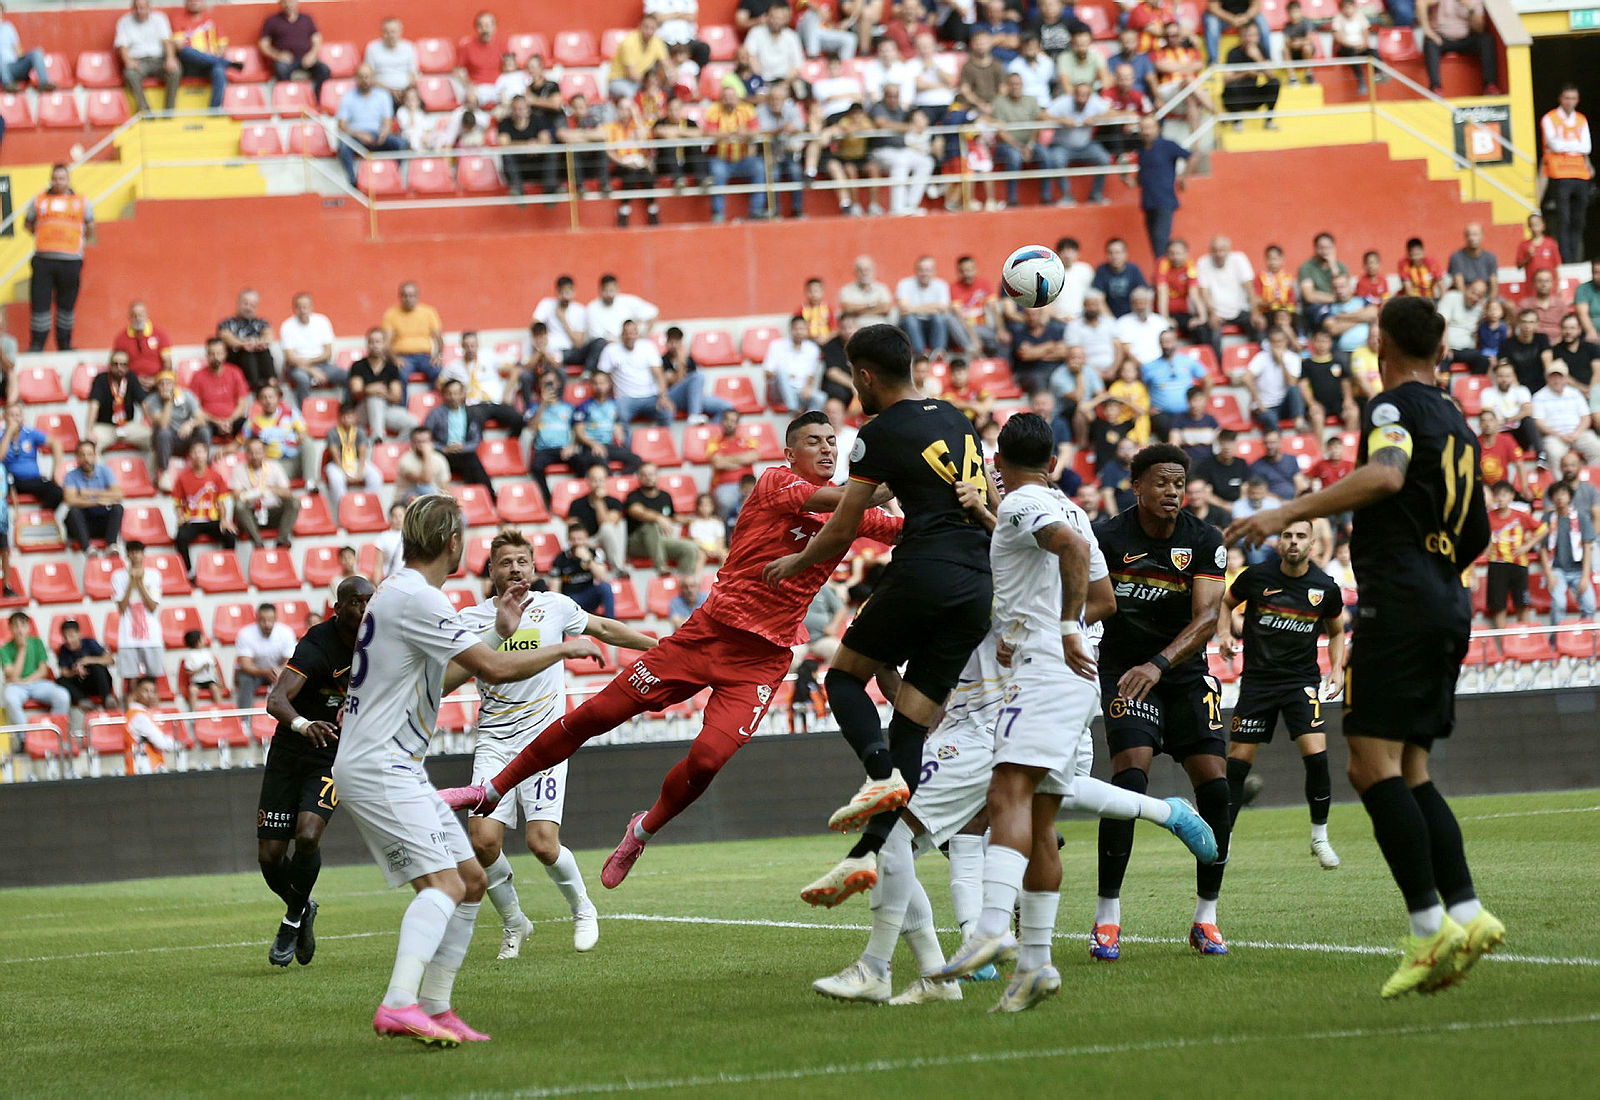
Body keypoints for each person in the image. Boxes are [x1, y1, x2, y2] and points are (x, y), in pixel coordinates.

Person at [439, 413, 903, 891]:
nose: (827, 449)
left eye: (832, 441)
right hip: (706, 635)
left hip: (763, 660)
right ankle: (492, 789)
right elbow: (844, 498)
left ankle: (640, 830)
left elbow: (899, 530)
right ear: (790, 453)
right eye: (814, 442)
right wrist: (896, 474)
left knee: (706, 760)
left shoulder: (853, 512)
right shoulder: (775, 481)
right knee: (595, 714)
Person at [1226, 294, 1502, 999]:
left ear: (1380, 345)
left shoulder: (1393, 407)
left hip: (1401, 600)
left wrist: (1286, 509)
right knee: (1410, 766)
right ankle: (1466, 914)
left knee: (1365, 764)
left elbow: (1384, 474)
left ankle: (1427, 928)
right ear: (1441, 348)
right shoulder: (1460, 422)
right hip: (1447, 598)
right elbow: (1479, 535)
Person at [928, 414, 1217, 1008]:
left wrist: (1057, 628)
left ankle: (988, 931)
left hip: (1043, 672)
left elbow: (1067, 549)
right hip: (1071, 676)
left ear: (996, 464)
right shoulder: (1071, 507)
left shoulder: (1022, 504)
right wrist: (1052, 620)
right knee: (1038, 823)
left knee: (1003, 794)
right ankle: (1036, 964)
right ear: (1055, 462)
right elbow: (1105, 598)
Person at [332, 494, 603, 1046]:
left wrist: (502, 632)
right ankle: (400, 1004)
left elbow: (447, 671)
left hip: (392, 761)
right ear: (454, 543)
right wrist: (562, 650)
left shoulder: (398, 592)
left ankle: (435, 1006)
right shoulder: (420, 598)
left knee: (472, 878)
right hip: (382, 764)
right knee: (443, 885)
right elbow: (495, 670)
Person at [759, 326, 995, 906]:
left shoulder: (876, 432)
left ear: (864, 376)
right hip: (978, 584)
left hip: (925, 571)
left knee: (842, 676)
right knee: (911, 724)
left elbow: (841, 526)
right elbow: (972, 491)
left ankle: (879, 772)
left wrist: (797, 561)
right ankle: (865, 853)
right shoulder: (957, 416)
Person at [449, 531, 656, 958]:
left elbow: (603, 628)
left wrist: (661, 647)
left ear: (534, 567)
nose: (515, 569)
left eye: (522, 561)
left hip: (544, 742)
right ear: (491, 570)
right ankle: (515, 922)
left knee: (541, 843)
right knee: (483, 842)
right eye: (505, 562)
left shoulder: (554, 607)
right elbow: (447, 676)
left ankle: (583, 908)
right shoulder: (473, 619)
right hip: (495, 742)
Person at [1089, 442, 1232, 959]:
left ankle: (1206, 916)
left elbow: (1207, 619)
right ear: (1138, 487)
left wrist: (1161, 664)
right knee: (1129, 781)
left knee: (1217, 790)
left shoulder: (1205, 539)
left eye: (1178, 483)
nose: (1172, 492)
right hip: (1125, 674)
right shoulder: (1106, 537)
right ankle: (1108, 916)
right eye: (1161, 483)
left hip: (1184, 674)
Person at [258, 576, 373, 967]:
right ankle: (304, 906)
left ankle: (291, 921)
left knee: (307, 834)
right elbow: (276, 700)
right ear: (338, 608)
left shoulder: (381, 641)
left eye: (369, 601)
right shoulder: (317, 644)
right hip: (291, 750)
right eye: (356, 602)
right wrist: (305, 725)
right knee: (271, 858)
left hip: (332, 754)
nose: (364, 608)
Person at [1217, 518, 1346, 869]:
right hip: (1258, 682)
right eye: (1287, 535)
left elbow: (1337, 631)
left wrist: (1336, 669)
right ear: (1278, 543)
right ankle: (1221, 841)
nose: (1293, 541)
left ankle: (1319, 837)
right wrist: (1224, 634)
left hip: (1300, 681)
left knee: (1317, 757)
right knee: (1238, 763)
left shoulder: (1325, 587)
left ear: (1312, 544)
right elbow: (1225, 603)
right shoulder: (1256, 577)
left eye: (1300, 536)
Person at [24, 164, 94, 352]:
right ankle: (37, 344)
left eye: (62, 178)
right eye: (55, 178)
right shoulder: (39, 200)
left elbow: (91, 226)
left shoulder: (81, 202)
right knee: (39, 304)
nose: (58, 181)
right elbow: (28, 223)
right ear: (51, 179)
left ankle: (64, 344)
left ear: (68, 179)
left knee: (66, 305)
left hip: (71, 261)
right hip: (43, 260)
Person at [1541, 85, 1592, 265]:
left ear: (1577, 100)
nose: (1570, 102)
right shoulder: (1550, 118)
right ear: (1560, 99)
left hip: (1580, 174)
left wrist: (1566, 145)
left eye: (1573, 98)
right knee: (1564, 219)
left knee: (1579, 220)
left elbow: (1587, 147)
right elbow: (1554, 145)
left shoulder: (1581, 119)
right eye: (1567, 98)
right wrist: (1574, 146)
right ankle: (1567, 260)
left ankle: (1576, 257)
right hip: (1559, 174)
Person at [1483, 480, 1543, 630]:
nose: (1501, 498)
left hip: (1519, 564)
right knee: (1498, 607)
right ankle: (1504, 647)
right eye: (1497, 495)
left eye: (1504, 495)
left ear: (1511, 496)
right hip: (1497, 565)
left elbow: (1543, 529)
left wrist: (1528, 546)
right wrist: (1485, 548)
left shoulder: (1521, 516)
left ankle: (1524, 642)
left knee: (1522, 605)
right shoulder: (1488, 516)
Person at [424, 380, 496, 504]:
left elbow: (475, 440)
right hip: (442, 454)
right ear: (444, 395)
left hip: (463, 452)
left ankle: (489, 498)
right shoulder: (435, 414)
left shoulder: (471, 413)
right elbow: (424, 438)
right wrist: (442, 448)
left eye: (456, 393)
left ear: (463, 394)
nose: (453, 397)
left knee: (472, 460)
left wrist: (463, 447)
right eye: (449, 393)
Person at [171, 439, 234, 579]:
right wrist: (180, 516)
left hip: (212, 519)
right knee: (180, 538)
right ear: (190, 456)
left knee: (230, 535)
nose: (197, 455)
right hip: (191, 520)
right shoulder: (182, 478)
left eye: (200, 452)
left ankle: (227, 568)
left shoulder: (216, 476)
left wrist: (224, 520)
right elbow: (177, 503)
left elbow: (222, 502)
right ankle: (188, 572)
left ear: (206, 454)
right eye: (194, 452)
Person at [626, 462, 703, 576]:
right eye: (645, 475)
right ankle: (661, 567)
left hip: (661, 542)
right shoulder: (633, 496)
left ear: (657, 475)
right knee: (650, 525)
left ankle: (683, 582)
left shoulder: (665, 496)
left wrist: (690, 520)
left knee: (691, 548)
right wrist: (658, 518)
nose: (648, 478)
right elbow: (637, 511)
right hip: (637, 545)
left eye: (651, 474)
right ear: (639, 477)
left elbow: (672, 517)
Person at [1, 611, 70, 730]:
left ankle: (52, 732)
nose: (19, 630)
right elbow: (12, 675)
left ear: (28, 627)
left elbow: (43, 671)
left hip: (37, 683)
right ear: (10, 628)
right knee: (10, 699)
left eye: (22, 625)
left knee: (63, 696)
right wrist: (22, 649)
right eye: (15, 626)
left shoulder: (37, 642)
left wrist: (26, 680)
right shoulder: (5, 649)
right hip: (15, 686)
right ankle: (26, 738)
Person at [1541, 480, 1595, 627]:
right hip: (1557, 570)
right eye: (1556, 494)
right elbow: (1543, 549)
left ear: (1570, 497)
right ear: (1552, 498)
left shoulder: (1582, 517)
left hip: (1579, 571)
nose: (1559, 497)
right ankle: (1556, 642)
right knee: (1559, 604)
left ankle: (1587, 640)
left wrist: (1585, 576)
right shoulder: (1547, 519)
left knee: (1590, 605)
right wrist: (1549, 574)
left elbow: (1587, 547)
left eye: (1563, 493)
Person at [347, 328, 415, 440]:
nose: (375, 345)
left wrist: (380, 392)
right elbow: (356, 393)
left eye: (378, 342)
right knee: (374, 399)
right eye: (371, 342)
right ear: (367, 344)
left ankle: (391, 448)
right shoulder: (358, 366)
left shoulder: (391, 368)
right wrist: (369, 390)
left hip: (385, 409)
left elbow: (396, 397)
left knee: (412, 424)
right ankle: (377, 438)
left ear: (384, 344)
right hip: (362, 411)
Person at [111, 540, 161, 692]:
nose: (135, 556)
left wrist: (139, 583)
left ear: (143, 554)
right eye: (132, 552)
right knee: (130, 681)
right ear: (127, 555)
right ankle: (130, 712)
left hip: (151, 636)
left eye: (138, 552)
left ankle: (153, 713)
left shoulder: (153, 575)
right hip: (128, 637)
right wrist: (131, 582)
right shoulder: (118, 576)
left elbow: (153, 606)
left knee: (153, 680)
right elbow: (121, 607)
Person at [1418, 0, 1497, 95]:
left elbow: (1479, 29)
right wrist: (1427, 31)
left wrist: (1470, 7)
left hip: (1466, 38)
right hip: (1441, 38)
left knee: (1487, 39)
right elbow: (1420, 3)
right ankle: (1435, 87)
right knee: (1430, 42)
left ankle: (1489, 85)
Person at [322, 401, 383, 521]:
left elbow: (362, 453)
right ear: (339, 417)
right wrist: (344, 473)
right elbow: (334, 454)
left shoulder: (360, 432)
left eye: (350, 416)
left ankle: (366, 506)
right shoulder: (332, 433)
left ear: (355, 417)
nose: (347, 419)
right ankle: (344, 510)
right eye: (344, 416)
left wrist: (360, 472)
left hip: (355, 462)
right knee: (336, 479)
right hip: (336, 464)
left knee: (376, 476)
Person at [257, 0, 330, 99]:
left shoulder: (307, 19)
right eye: (285, 2)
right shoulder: (272, 21)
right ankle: (291, 99)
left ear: (296, 2)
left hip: (306, 58)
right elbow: (263, 45)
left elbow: (317, 39)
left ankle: (316, 100)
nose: (288, 5)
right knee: (280, 69)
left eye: (290, 1)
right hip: (286, 61)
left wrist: (312, 55)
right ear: (280, 4)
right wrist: (278, 55)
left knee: (324, 70)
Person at [114, 0, 176, 114]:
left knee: (175, 70)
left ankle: (169, 111)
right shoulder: (124, 22)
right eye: (136, 8)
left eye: (143, 8)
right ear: (132, 8)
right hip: (139, 62)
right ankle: (145, 112)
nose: (139, 11)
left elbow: (167, 41)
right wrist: (128, 61)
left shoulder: (160, 18)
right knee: (130, 73)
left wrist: (170, 58)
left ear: (149, 7)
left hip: (159, 60)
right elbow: (121, 45)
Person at [279, 292, 341, 405]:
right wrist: (312, 370)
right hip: (296, 368)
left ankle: (347, 413)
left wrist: (309, 362)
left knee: (347, 376)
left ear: (311, 307)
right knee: (303, 380)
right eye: (299, 307)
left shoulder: (322, 321)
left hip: (323, 365)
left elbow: (328, 353)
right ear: (294, 309)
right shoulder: (287, 326)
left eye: (305, 307)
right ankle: (303, 416)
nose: (302, 310)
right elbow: (291, 358)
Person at [1533, 362, 1600, 466]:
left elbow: (1586, 417)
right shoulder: (1539, 396)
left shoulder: (1575, 393)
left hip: (1578, 433)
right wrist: (1559, 435)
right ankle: (1560, 482)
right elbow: (1539, 422)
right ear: (1547, 379)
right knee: (1554, 453)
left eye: (1560, 377)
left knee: (1597, 448)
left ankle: (1593, 480)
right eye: (1553, 377)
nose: (1557, 380)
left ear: (1566, 378)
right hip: (1554, 436)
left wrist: (1576, 433)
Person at [63, 440, 124, 554]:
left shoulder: (105, 471)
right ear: (77, 457)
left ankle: (111, 545)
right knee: (73, 512)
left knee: (117, 508)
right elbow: (70, 500)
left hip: (101, 521)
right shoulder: (70, 476)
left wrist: (89, 493)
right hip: (83, 523)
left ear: (95, 456)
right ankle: (87, 548)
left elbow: (118, 494)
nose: (86, 458)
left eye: (89, 454)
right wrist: (98, 502)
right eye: (82, 454)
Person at [1, 403, 63, 511]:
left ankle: (41, 518)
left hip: (33, 480)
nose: (15, 419)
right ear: (4, 417)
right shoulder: (1, 435)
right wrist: (9, 433)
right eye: (11, 415)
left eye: (18, 415)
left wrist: (56, 471)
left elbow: (56, 443)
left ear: (22, 417)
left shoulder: (30, 433)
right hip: (12, 481)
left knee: (57, 492)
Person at [382, 281, 444, 388]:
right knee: (399, 374)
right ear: (400, 297)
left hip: (425, 356)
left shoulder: (429, 312)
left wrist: (438, 356)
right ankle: (402, 405)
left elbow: (439, 338)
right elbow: (386, 343)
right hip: (402, 357)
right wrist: (394, 359)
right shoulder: (391, 314)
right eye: (404, 296)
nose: (408, 299)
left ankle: (436, 403)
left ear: (417, 296)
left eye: (411, 295)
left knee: (438, 371)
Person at [234, 602, 295, 709]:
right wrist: (266, 672)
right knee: (245, 680)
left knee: (294, 676)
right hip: (254, 673)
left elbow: (289, 660)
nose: (267, 624)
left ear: (276, 619)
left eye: (270, 620)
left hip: (279, 671)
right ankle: (244, 720)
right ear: (257, 619)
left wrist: (279, 671)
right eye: (263, 620)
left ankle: (292, 716)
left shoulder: (286, 632)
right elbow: (245, 665)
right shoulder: (245, 633)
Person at [549, 522, 617, 617]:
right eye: (573, 539)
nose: (577, 543)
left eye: (580, 539)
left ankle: (611, 623)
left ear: (587, 539)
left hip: (588, 595)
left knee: (605, 587)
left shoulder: (595, 553)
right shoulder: (560, 559)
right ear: (568, 539)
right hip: (571, 598)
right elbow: (554, 589)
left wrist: (588, 559)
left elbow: (602, 577)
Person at [122, 676, 177, 774]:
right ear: (136, 693)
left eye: (153, 691)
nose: (150, 695)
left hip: (142, 770)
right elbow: (163, 744)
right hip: (146, 770)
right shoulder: (139, 716)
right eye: (146, 691)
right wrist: (170, 741)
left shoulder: (137, 714)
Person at [56, 618, 115, 709]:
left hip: (97, 682)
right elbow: (64, 672)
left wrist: (88, 661)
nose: (69, 640)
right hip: (81, 683)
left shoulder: (90, 643)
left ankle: (107, 698)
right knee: (61, 680)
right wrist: (75, 671)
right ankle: (83, 701)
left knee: (97, 668)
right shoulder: (64, 649)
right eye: (65, 637)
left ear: (79, 634)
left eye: (71, 636)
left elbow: (110, 660)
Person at [180, 628, 224, 709]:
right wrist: (200, 669)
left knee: (215, 689)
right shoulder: (189, 656)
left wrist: (219, 680)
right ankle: (194, 714)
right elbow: (188, 672)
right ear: (198, 642)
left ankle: (220, 709)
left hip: (210, 680)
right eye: (202, 638)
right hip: (197, 681)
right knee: (192, 691)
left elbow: (214, 668)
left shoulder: (207, 653)